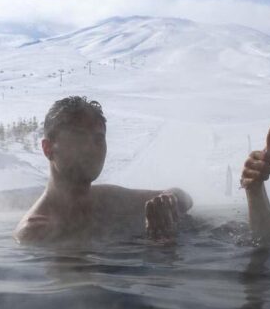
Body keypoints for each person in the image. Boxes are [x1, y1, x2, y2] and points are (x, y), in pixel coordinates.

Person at [14, 96, 192, 244]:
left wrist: (166, 205)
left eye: (98, 139)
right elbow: (79, 282)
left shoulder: (108, 199)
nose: (91, 149)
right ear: (48, 149)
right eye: (79, 138)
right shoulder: (36, 231)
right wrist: (158, 249)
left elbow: (184, 197)